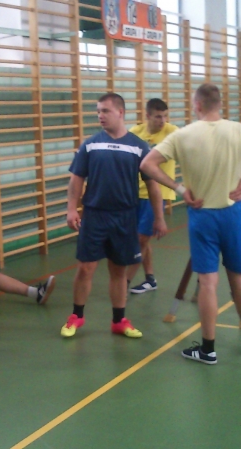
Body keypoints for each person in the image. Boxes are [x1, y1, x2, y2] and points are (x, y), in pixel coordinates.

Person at [140, 83, 241, 365]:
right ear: (219, 104)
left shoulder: (182, 135)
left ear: (197, 105)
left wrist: (179, 189)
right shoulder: (240, 130)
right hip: (234, 213)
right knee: (240, 277)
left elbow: (147, 164)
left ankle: (207, 349)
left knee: (207, 282)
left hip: (201, 212)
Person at [62, 93, 167, 339]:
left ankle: (119, 320)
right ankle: (76, 316)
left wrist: (159, 217)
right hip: (95, 216)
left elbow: (153, 186)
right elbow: (76, 179)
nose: (100, 115)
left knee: (119, 271)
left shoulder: (139, 147)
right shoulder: (90, 145)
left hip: (125, 217)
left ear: (120, 112)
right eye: (98, 111)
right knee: (86, 267)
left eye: (105, 111)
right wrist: (71, 208)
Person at [126, 98, 179, 294]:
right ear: (147, 115)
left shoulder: (173, 133)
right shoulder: (134, 133)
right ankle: (150, 279)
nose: (162, 120)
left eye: (165, 116)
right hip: (135, 193)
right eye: (158, 116)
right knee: (142, 239)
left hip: (157, 194)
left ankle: (124, 282)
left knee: (141, 239)